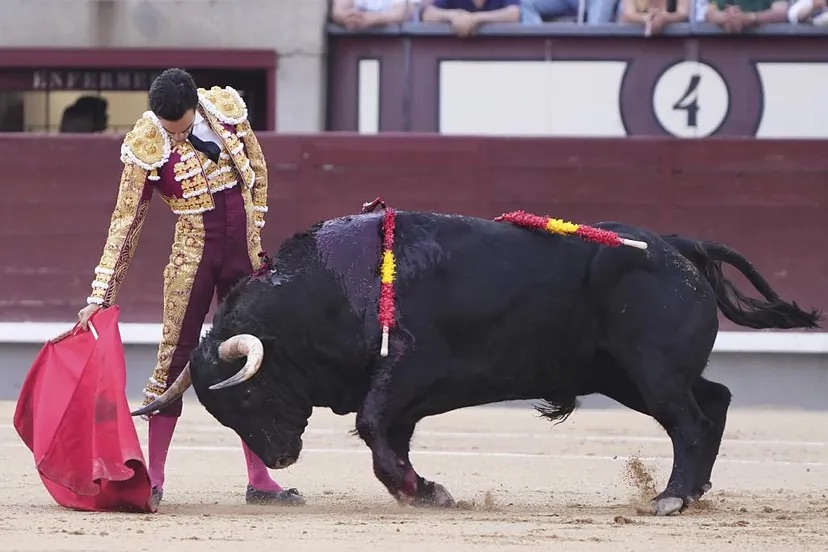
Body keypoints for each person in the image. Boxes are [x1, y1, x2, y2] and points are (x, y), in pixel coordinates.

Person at [77, 68, 305, 508]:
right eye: (168, 130)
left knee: (252, 355)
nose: (174, 138)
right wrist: (100, 295)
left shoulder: (224, 109)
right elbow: (126, 221)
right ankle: (155, 479)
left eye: (179, 128)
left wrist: (254, 234)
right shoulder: (147, 141)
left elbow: (256, 167)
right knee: (173, 359)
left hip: (241, 253)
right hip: (193, 253)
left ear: (194, 106)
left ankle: (260, 480)